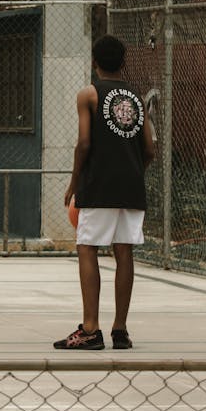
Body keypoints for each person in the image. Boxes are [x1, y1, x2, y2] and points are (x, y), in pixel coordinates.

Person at [55, 34, 156, 351]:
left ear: (94, 62)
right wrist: (134, 172)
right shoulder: (136, 98)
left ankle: (90, 329)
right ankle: (120, 331)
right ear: (124, 62)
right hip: (131, 185)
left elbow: (84, 143)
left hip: (99, 184)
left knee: (87, 247)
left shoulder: (89, 94)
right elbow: (149, 148)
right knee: (124, 252)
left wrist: (74, 183)